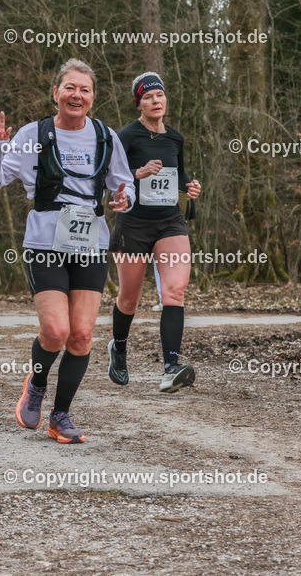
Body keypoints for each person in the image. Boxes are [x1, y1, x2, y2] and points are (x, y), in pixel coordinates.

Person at [0, 58, 134, 444]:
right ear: (56, 93)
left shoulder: (105, 136)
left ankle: (60, 416)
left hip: (91, 243)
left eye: (84, 89)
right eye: (70, 88)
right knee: (55, 330)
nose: (76, 95)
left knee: (81, 335)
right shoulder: (34, 133)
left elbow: (125, 183)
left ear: (93, 97)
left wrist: (124, 199)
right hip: (45, 241)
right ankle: (36, 382)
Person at [107, 72, 201, 392]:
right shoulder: (126, 136)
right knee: (129, 298)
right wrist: (139, 172)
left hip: (169, 222)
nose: (155, 101)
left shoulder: (175, 138)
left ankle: (171, 366)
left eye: (159, 95)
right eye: (148, 97)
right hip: (133, 224)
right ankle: (118, 348)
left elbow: (180, 174)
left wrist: (190, 186)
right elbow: (110, 176)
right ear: (139, 103)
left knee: (174, 290)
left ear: (166, 100)